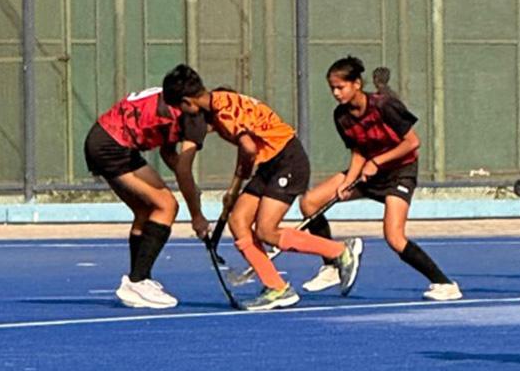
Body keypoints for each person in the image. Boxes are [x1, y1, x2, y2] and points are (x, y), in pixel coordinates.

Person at [162, 65, 361, 311]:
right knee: (238, 221)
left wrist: (238, 180)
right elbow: (247, 147)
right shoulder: (222, 99)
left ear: (187, 102)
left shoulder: (223, 112)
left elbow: (248, 149)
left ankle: (340, 251)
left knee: (266, 230)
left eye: (179, 108)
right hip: (270, 164)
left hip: (287, 160)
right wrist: (234, 190)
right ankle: (277, 287)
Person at [297, 56, 459, 300]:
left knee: (394, 237)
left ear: (357, 84)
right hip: (367, 173)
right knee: (310, 202)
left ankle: (445, 284)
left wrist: (377, 162)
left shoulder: (384, 106)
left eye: (341, 87)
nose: (336, 93)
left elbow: (412, 143)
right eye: (332, 88)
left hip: (399, 174)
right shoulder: (341, 116)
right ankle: (331, 264)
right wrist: (348, 182)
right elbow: (359, 150)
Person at [85, 84, 207, 309]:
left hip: (103, 138)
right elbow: (183, 170)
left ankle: (139, 279)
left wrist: (191, 187)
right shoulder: (195, 118)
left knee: (145, 210)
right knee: (167, 206)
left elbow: (168, 153)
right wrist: (197, 215)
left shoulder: (179, 102)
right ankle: (137, 281)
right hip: (113, 145)